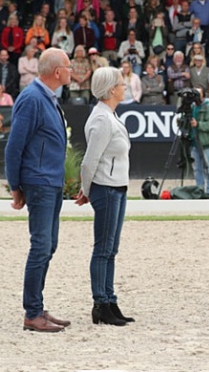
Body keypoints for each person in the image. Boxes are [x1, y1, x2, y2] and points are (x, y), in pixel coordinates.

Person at [5, 47, 72, 332]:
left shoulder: (48, 98)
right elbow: (14, 146)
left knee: (49, 245)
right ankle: (32, 313)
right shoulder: (32, 99)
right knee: (41, 246)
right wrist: (15, 186)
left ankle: (38, 306)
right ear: (57, 72)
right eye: (68, 66)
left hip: (51, 182)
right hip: (39, 181)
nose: (72, 70)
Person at [75, 67, 134, 326]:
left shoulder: (111, 115)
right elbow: (89, 162)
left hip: (118, 187)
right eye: (121, 83)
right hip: (106, 188)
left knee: (112, 249)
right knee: (103, 248)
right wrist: (87, 190)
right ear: (111, 89)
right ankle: (100, 302)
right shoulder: (101, 119)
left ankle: (110, 299)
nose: (125, 87)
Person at [188, 87, 209, 198]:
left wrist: (198, 124)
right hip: (194, 141)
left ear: (203, 95)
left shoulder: (208, 107)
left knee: (208, 167)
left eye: (197, 94)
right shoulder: (191, 107)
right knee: (197, 168)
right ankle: (199, 189)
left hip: (205, 142)